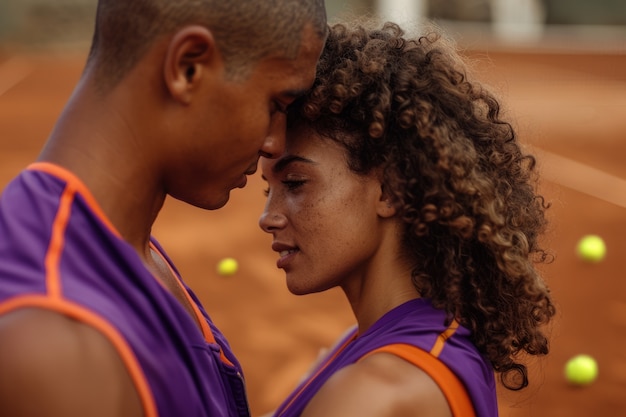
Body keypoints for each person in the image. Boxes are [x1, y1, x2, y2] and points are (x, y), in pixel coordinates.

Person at [0, 0, 327, 416]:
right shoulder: (51, 346)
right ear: (188, 67)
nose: (275, 145)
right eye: (276, 105)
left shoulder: (124, 246)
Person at [259, 20, 556, 417]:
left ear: (392, 189)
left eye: (295, 183)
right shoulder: (409, 341)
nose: (268, 217)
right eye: (268, 190)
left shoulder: (375, 392)